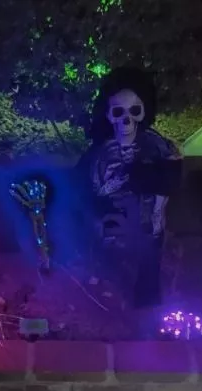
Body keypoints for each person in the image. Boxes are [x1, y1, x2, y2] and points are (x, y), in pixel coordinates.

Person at [77, 66, 182, 333]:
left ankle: (147, 293)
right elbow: (87, 187)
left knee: (150, 250)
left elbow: (170, 179)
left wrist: (146, 183)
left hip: (147, 217)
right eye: (118, 113)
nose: (126, 121)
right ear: (108, 115)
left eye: (134, 111)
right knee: (105, 252)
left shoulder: (156, 146)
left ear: (144, 111)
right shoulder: (100, 153)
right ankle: (103, 289)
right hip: (112, 216)